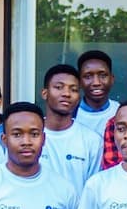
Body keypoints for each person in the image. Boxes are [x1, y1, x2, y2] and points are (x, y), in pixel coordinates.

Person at [38, 64, 100, 194]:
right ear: (44, 93)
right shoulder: (30, 136)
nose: (66, 94)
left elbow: (94, 190)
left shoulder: (92, 140)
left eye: (73, 89)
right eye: (59, 87)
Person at [73, 49, 119, 142]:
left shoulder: (121, 112)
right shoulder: (70, 115)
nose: (96, 83)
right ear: (79, 82)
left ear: (112, 79)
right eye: (88, 76)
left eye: (103, 75)